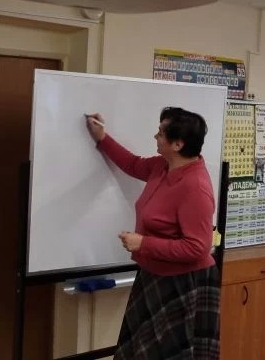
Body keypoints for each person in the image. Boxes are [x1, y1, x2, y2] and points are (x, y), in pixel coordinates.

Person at [85, 107, 220, 360]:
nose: (155, 137)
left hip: (183, 282)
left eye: (161, 133)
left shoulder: (195, 187)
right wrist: (101, 137)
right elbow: (132, 164)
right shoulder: (162, 166)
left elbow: (197, 247)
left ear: (178, 144)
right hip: (155, 273)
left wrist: (143, 244)